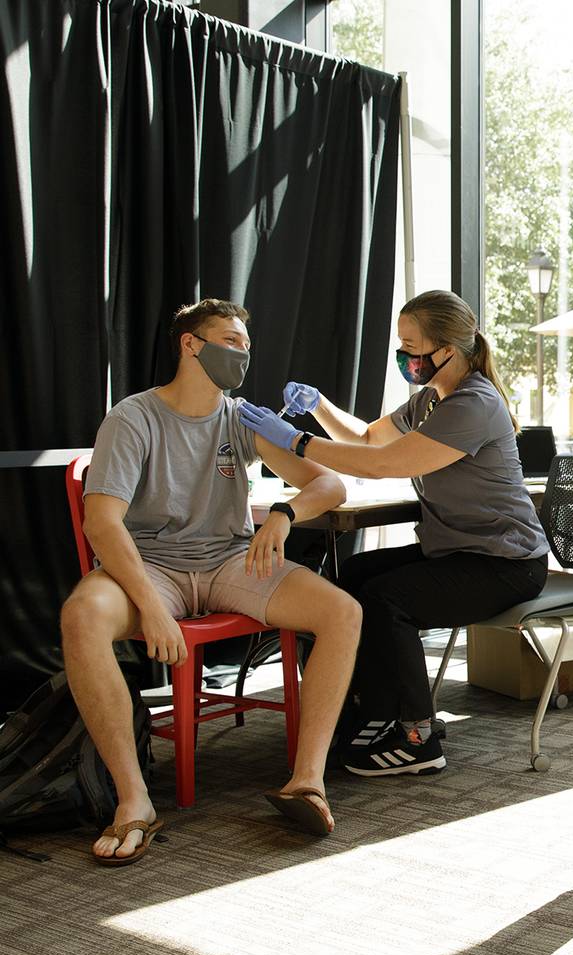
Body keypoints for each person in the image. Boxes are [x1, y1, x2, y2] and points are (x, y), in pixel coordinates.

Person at [62, 299, 363, 863]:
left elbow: (331, 485)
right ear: (191, 344)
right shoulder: (133, 417)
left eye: (247, 345)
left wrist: (283, 513)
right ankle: (133, 802)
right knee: (82, 614)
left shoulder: (241, 417)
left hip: (229, 563)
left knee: (343, 611)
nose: (241, 353)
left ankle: (307, 781)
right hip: (152, 567)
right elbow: (101, 522)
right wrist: (150, 606)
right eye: (230, 340)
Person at [237, 290, 550, 778]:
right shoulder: (430, 400)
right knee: (347, 581)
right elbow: (366, 438)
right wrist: (318, 406)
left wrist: (296, 440)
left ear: (448, 349)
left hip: (504, 564)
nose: (405, 358)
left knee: (387, 599)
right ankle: (364, 713)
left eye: (413, 348)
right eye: (400, 347)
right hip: (458, 553)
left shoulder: (474, 404)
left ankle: (416, 736)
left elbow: (385, 464)